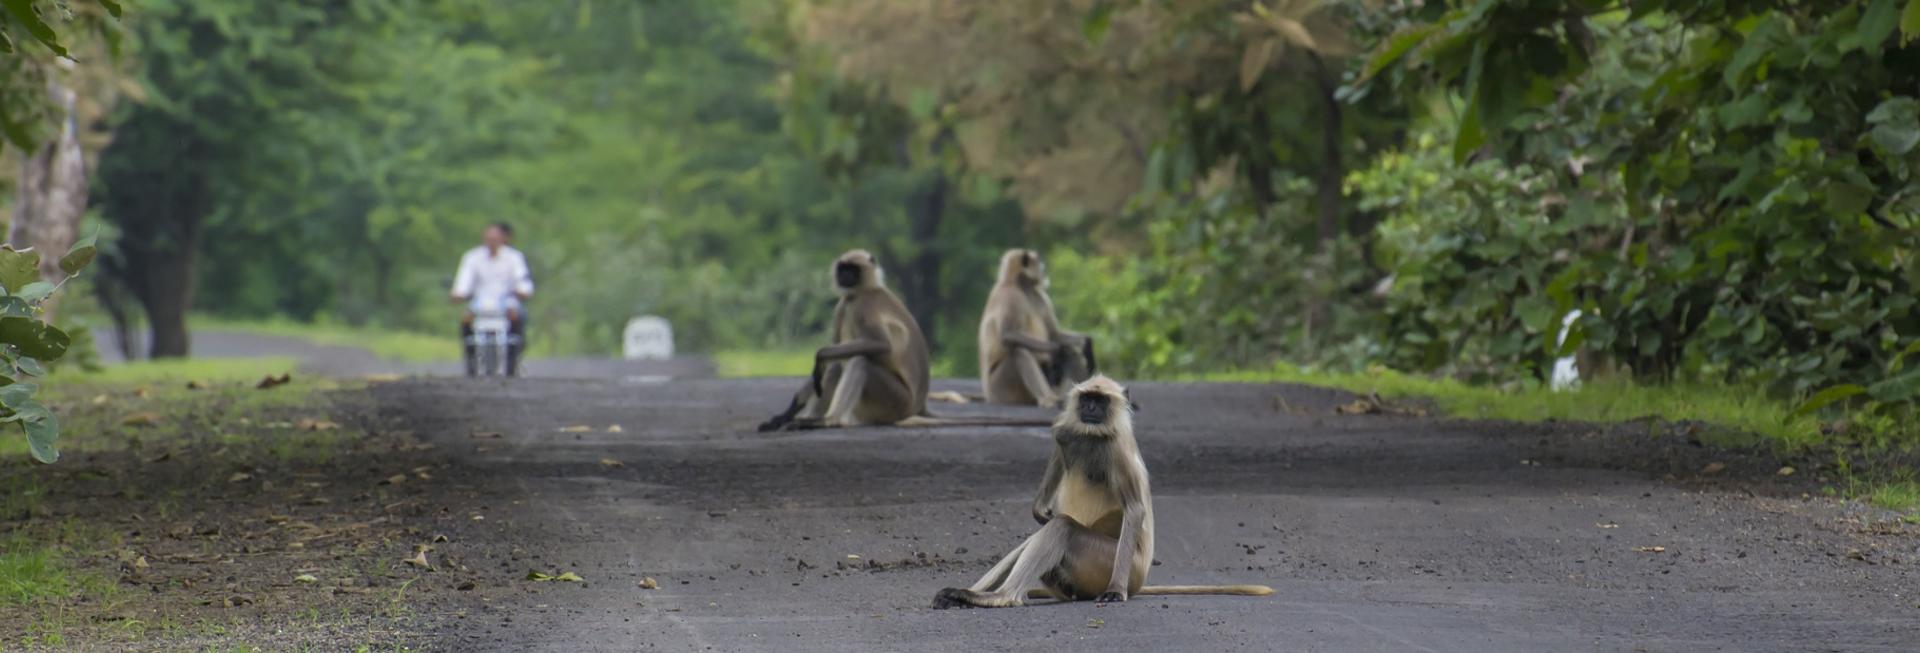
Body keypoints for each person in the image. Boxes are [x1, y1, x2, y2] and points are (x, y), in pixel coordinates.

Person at [450, 222, 534, 375]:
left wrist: (522, 291)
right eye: (488, 238)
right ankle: (471, 361)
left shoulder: (514, 258)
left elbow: (522, 281)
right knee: (466, 319)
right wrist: (458, 293)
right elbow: (464, 282)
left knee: (518, 317)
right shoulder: (472, 257)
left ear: (504, 239)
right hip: (480, 303)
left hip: (507, 302)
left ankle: (513, 360)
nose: (491, 242)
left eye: (495, 239)